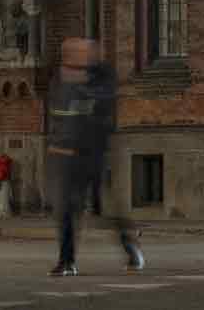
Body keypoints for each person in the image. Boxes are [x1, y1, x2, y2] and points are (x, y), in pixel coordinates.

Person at [46, 36, 142, 276]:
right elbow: (57, 112)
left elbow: (100, 108)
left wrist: (80, 86)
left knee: (104, 209)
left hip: (93, 154)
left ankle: (130, 246)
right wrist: (55, 142)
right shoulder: (60, 78)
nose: (72, 57)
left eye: (78, 52)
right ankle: (66, 261)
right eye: (69, 53)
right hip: (65, 154)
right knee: (66, 208)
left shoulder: (102, 76)